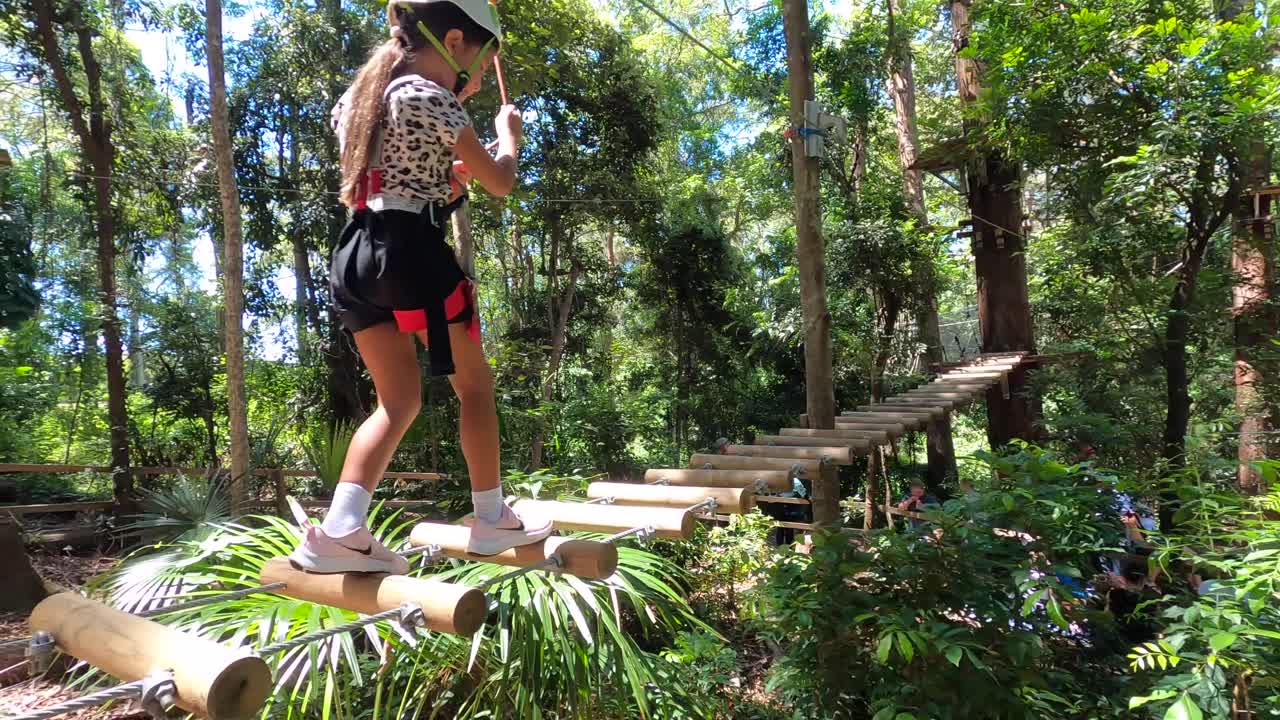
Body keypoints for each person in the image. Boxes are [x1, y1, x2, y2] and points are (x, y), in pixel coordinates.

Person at [289, 0, 551, 575]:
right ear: (454, 40)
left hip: (356, 253)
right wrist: (509, 137)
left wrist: (447, 181)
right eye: (481, 64)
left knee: (398, 401)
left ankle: (340, 529)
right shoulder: (432, 96)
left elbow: (402, 174)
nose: (480, 80)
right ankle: (489, 516)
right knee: (475, 388)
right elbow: (501, 183)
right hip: (411, 252)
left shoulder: (358, 101)